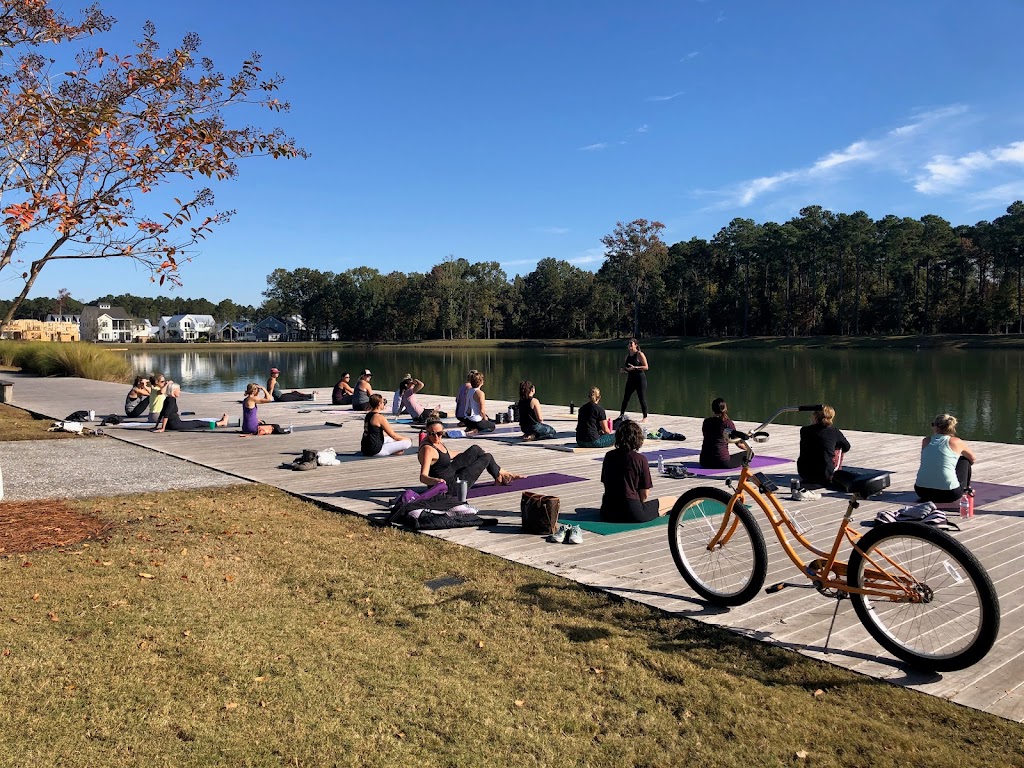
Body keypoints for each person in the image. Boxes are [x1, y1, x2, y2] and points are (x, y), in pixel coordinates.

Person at [418, 417, 523, 490]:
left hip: (451, 472)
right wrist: (436, 481)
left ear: (443, 431)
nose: (436, 437)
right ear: (427, 433)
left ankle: (500, 474)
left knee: (475, 449)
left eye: (439, 434)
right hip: (449, 486)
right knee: (487, 457)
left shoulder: (437, 442)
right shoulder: (428, 449)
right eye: (432, 434)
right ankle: (501, 475)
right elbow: (423, 477)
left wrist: (472, 455)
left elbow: (448, 454)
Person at [600, 420, 660, 523]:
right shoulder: (641, 459)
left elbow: (606, 483)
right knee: (670, 500)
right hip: (632, 511)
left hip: (608, 510)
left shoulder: (609, 456)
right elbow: (644, 493)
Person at [915, 414, 976, 503]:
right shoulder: (956, 441)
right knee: (964, 460)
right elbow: (972, 458)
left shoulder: (926, 441)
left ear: (936, 427)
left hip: (922, 492)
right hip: (950, 494)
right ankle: (965, 487)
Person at [797, 405, 851, 488]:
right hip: (826, 475)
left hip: (804, 473)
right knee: (839, 447)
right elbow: (847, 447)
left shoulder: (804, 430)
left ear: (815, 417)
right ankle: (835, 471)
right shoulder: (834, 432)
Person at [152, 383, 229, 432]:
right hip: (176, 425)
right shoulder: (171, 400)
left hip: (172, 425)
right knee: (198, 423)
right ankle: (221, 423)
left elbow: (162, 413)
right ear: (174, 390)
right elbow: (166, 415)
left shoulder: (167, 399)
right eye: (178, 390)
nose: (180, 392)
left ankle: (220, 422)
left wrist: (156, 426)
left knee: (196, 422)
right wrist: (162, 428)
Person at [699, 397, 744, 469]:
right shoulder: (727, 423)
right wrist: (748, 449)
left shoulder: (706, 422)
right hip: (722, 462)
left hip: (704, 461)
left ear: (713, 409)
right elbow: (739, 444)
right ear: (725, 408)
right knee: (749, 454)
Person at [618, 337, 649, 423]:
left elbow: (646, 367)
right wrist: (624, 370)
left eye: (631, 343)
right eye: (629, 343)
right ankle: (621, 415)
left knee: (641, 398)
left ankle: (645, 417)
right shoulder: (627, 356)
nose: (630, 345)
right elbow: (628, 369)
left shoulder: (639, 354)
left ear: (636, 345)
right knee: (626, 397)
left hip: (640, 379)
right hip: (631, 379)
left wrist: (635, 367)